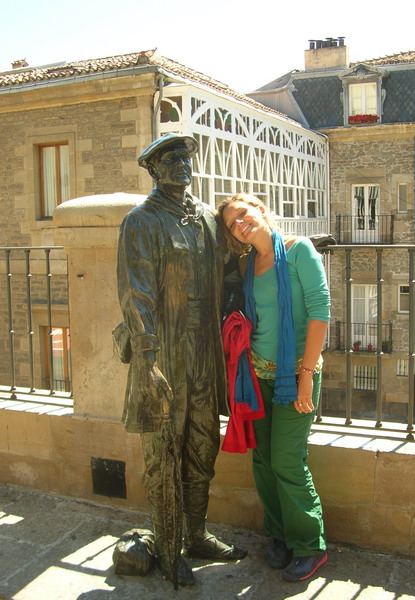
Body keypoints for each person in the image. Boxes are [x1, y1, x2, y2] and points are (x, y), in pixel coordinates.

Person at [117, 133, 246, 587]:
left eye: (186, 158)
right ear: (154, 169)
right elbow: (136, 294)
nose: (182, 165)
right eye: (171, 159)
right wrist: (148, 362)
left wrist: (291, 247)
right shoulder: (142, 221)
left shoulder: (207, 220)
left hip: (204, 349)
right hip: (165, 352)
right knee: (164, 452)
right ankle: (169, 547)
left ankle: (196, 532)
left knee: (201, 442)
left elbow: (238, 250)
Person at [217, 192, 331, 582]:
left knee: (286, 459)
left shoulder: (300, 251)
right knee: (263, 459)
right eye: (233, 223)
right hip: (256, 375)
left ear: (261, 211)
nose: (240, 224)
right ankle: (279, 535)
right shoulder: (248, 263)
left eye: (244, 214)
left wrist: (306, 376)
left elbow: (320, 312)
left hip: (294, 377)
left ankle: (310, 546)